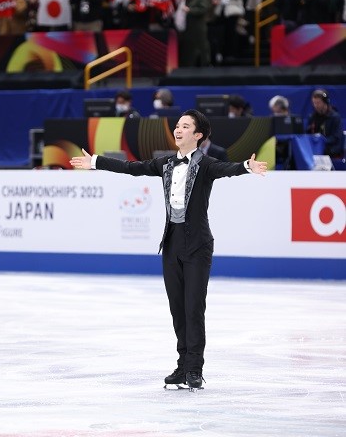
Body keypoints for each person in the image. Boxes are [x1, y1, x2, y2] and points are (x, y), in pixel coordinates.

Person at [70, 109, 268, 390]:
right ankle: (182, 365)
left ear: (197, 135)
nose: (178, 129)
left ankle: (194, 369)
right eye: (177, 125)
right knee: (177, 309)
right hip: (172, 242)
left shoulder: (206, 164)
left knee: (193, 309)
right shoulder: (165, 163)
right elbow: (132, 168)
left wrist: (247, 167)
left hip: (198, 245)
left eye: (185, 126)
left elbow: (228, 170)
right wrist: (96, 162)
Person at [305, 89, 344, 158]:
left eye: (318, 103)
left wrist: (322, 141)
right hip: (315, 149)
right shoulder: (312, 117)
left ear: (326, 102)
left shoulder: (335, 117)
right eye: (314, 103)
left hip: (330, 149)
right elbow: (307, 134)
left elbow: (336, 138)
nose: (316, 105)